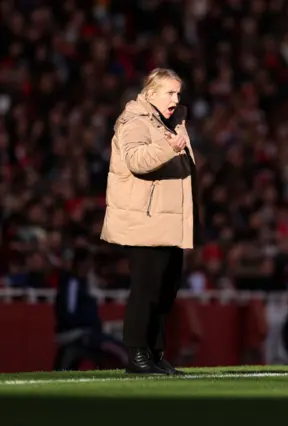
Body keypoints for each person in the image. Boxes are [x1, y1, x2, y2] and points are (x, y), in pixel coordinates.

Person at [101, 68, 199, 375]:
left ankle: (155, 354)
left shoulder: (168, 122)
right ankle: (137, 355)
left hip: (166, 223)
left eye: (178, 93)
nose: (176, 99)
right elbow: (135, 160)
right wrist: (168, 147)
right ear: (150, 93)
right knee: (146, 290)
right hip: (145, 222)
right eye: (170, 92)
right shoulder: (135, 121)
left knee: (166, 290)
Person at [54, 248, 128, 371]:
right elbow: (69, 313)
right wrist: (90, 326)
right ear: (81, 263)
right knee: (119, 349)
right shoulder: (73, 283)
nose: (91, 266)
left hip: (87, 330)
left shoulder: (84, 282)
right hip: (76, 332)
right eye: (89, 262)